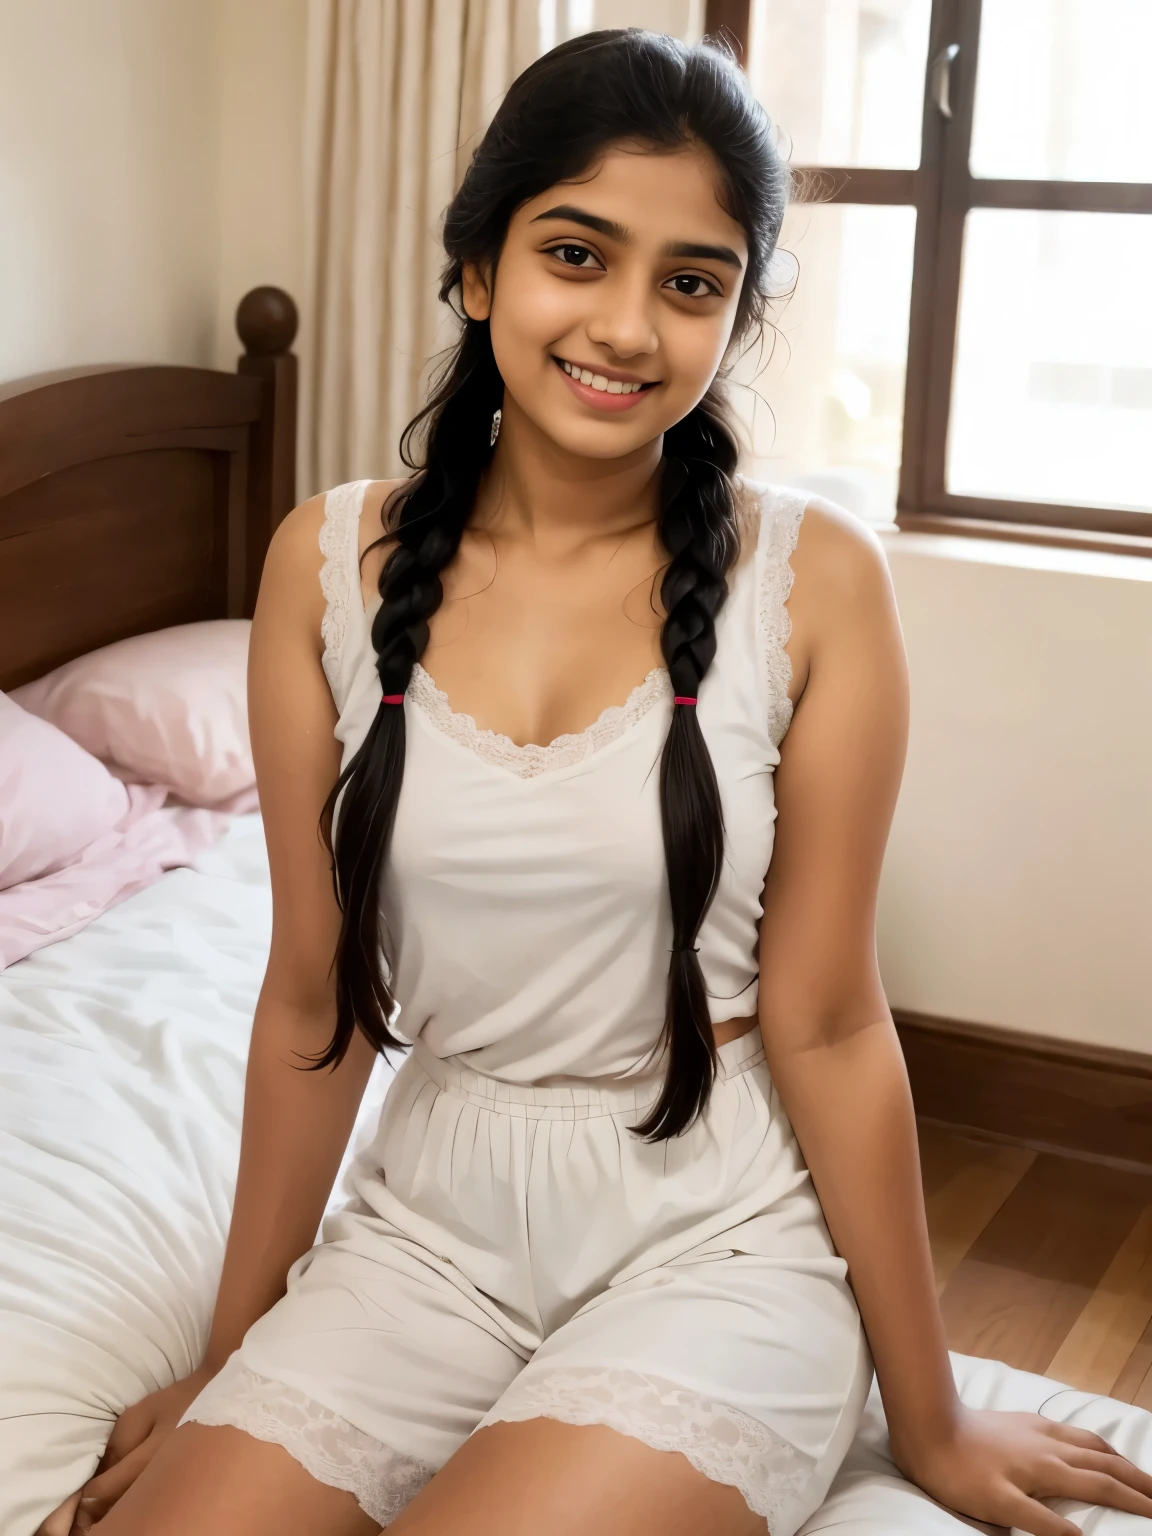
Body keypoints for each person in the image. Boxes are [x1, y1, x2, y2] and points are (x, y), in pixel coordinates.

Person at [42, 28, 1152, 1536]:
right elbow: (314, 1004)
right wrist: (228, 1361)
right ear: (478, 269)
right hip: (428, 1232)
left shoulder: (813, 583)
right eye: (579, 253)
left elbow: (829, 1024)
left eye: (692, 282)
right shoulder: (323, 563)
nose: (629, 327)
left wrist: (932, 1417)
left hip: (723, 1238)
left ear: (734, 319)